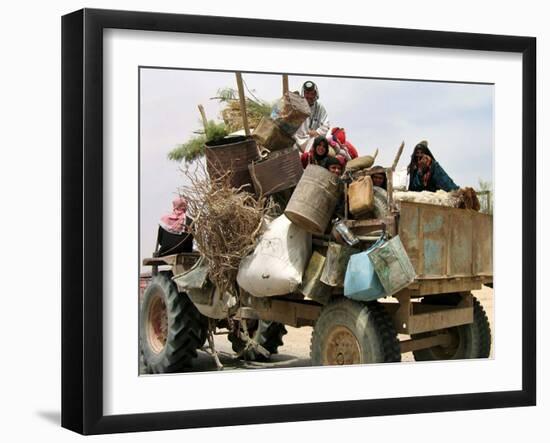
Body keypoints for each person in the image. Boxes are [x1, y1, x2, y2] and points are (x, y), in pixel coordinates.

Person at [293, 81, 330, 153]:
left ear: (316, 94)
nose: (309, 96)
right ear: (303, 93)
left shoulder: (319, 107)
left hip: (313, 140)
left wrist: (317, 132)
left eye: (312, 94)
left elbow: (326, 124)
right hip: (297, 141)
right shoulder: (298, 105)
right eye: (307, 93)